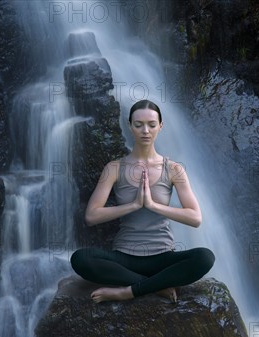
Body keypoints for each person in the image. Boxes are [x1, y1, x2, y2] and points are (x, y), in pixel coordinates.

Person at [70, 99, 215, 303]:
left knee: (205, 257)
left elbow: (195, 217)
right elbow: (92, 216)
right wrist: (134, 205)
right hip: (124, 258)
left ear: (160, 126)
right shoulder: (114, 168)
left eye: (151, 125)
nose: (145, 130)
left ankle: (128, 291)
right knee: (80, 259)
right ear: (130, 126)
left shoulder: (174, 169)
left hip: (163, 256)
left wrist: (153, 206)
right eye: (138, 125)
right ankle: (156, 286)